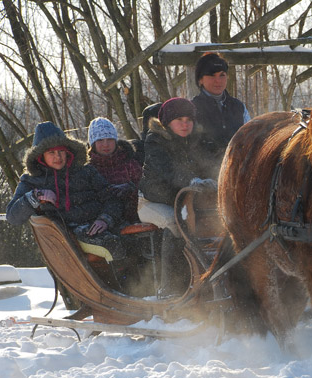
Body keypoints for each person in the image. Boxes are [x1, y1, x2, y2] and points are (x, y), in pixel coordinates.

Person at [6, 121, 125, 261]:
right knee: (113, 246)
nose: (58, 157)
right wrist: (33, 197)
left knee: (137, 240)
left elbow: (111, 198)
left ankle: (146, 281)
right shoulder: (31, 181)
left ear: (68, 152)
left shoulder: (86, 171)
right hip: (65, 238)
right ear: (40, 156)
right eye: (51, 152)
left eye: (61, 151)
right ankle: (126, 283)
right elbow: (12, 217)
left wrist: (105, 219)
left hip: (100, 226)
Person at [139, 97, 218, 295]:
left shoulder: (196, 141)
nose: (185, 124)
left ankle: (209, 280)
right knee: (175, 223)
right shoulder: (155, 141)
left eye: (188, 120)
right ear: (167, 124)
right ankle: (171, 288)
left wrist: (217, 178)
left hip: (185, 199)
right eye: (179, 120)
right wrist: (194, 182)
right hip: (151, 201)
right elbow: (170, 172)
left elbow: (210, 162)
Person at [192, 52, 250, 161]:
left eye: (222, 75)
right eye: (211, 75)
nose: (218, 80)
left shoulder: (239, 107)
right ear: (200, 80)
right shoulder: (191, 109)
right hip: (203, 174)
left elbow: (250, 140)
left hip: (236, 170)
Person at [87, 117, 142, 225]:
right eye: (100, 140)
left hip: (136, 217)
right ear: (93, 144)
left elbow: (144, 186)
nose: (106, 144)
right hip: (104, 221)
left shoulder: (129, 163)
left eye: (110, 139)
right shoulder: (88, 169)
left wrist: (131, 189)